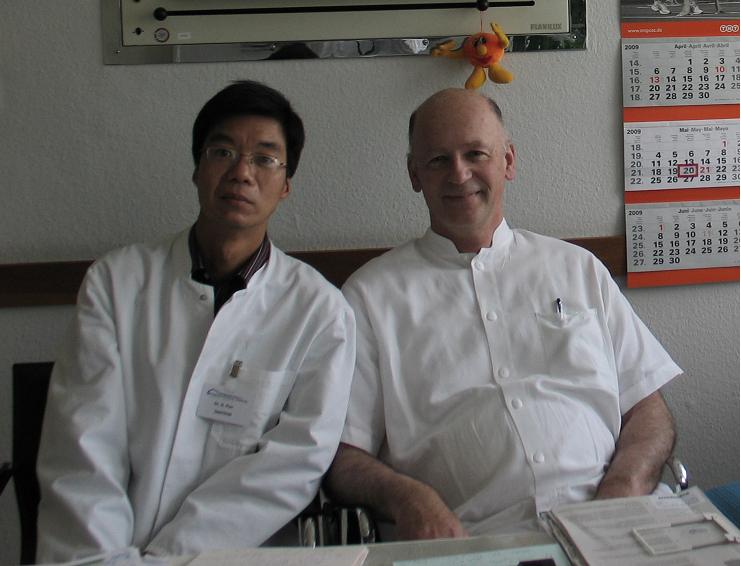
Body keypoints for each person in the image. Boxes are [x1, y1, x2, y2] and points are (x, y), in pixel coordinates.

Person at [325, 88, 681, 540]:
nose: (459, 174)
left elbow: (647, 407)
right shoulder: (369, 296)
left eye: (476, 153)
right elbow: (344, 454)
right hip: (472, 541)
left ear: (508, 161)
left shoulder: (577, 268)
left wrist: (623, 488)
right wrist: (407, 497)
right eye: (438, 160)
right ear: (415, 174)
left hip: (616, 524)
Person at [36, 80, 355, 560]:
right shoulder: (117, 282)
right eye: (222, 152)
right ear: (197, 169)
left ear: (286, 185)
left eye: (265, 159)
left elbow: (292, 465)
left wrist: (170, 559)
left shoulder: (319, 310)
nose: (241, 173)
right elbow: (82, 446)